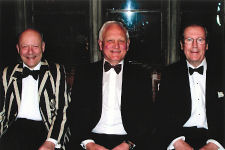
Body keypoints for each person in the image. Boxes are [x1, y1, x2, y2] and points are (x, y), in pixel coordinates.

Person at [69, 21, 153, 150]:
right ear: (100, 44)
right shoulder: (85, 73)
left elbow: (146, 117)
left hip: (129, 141)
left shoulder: (141, 75)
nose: (116, 46)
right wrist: (89, 144)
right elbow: (75, 113)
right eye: (110, 41)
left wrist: (128, 144)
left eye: (121, 41)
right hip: (91, 140)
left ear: (128, 45)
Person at [154, 23, 225, 150]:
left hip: (216, 137)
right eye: (189, 40)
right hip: (179, 137)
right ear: (182, 45)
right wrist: (178, 143)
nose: (194, 45)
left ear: (207, 45)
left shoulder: (221, 73)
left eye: (200, 40)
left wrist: (215, 144)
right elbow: (161, 114)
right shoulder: (170, 73)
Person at [0, 28, 70, 150]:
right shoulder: (8, 73)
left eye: (35, 46)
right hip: (14, 129)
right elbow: (1, 111)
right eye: (25, 46)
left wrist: (51, 142)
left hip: (46, 129)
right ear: (18, 49)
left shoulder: (56, 71)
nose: (30, 52)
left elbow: (63, 109)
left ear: (43, 47)